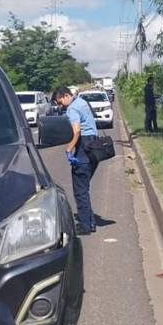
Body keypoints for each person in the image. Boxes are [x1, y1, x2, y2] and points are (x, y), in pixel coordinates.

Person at [53, 86, 99, 235]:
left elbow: (77, 131)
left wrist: (69, 148)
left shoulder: (72, 109)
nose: (60, 106)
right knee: (84, 187)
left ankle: (85, 226)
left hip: (83, 148)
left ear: (66, 96)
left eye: (60, 102)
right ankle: (90, 222)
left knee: (80, 190)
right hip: (94, 147)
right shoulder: (82, 102)